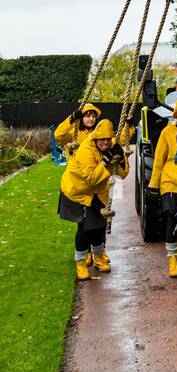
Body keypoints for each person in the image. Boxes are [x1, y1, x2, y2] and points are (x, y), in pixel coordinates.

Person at [57, 118, 129, 279]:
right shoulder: (85, 150)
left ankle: (98, 256)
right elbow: (91, 179)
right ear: (95, 138)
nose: (105, 142)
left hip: (96, 193)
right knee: (84, 227)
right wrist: (106, 161)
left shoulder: (110, 148)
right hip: (77, 192)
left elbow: (123, 174)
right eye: (101, 139)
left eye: (107, 139)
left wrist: (122, 159)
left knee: (99, 224)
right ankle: (81, 261)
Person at [149, 96, 177, 277]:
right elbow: (159, 160)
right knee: (172, 218)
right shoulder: (168, 132)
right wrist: (153, 185)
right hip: (170, 181)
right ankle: (173, 259)